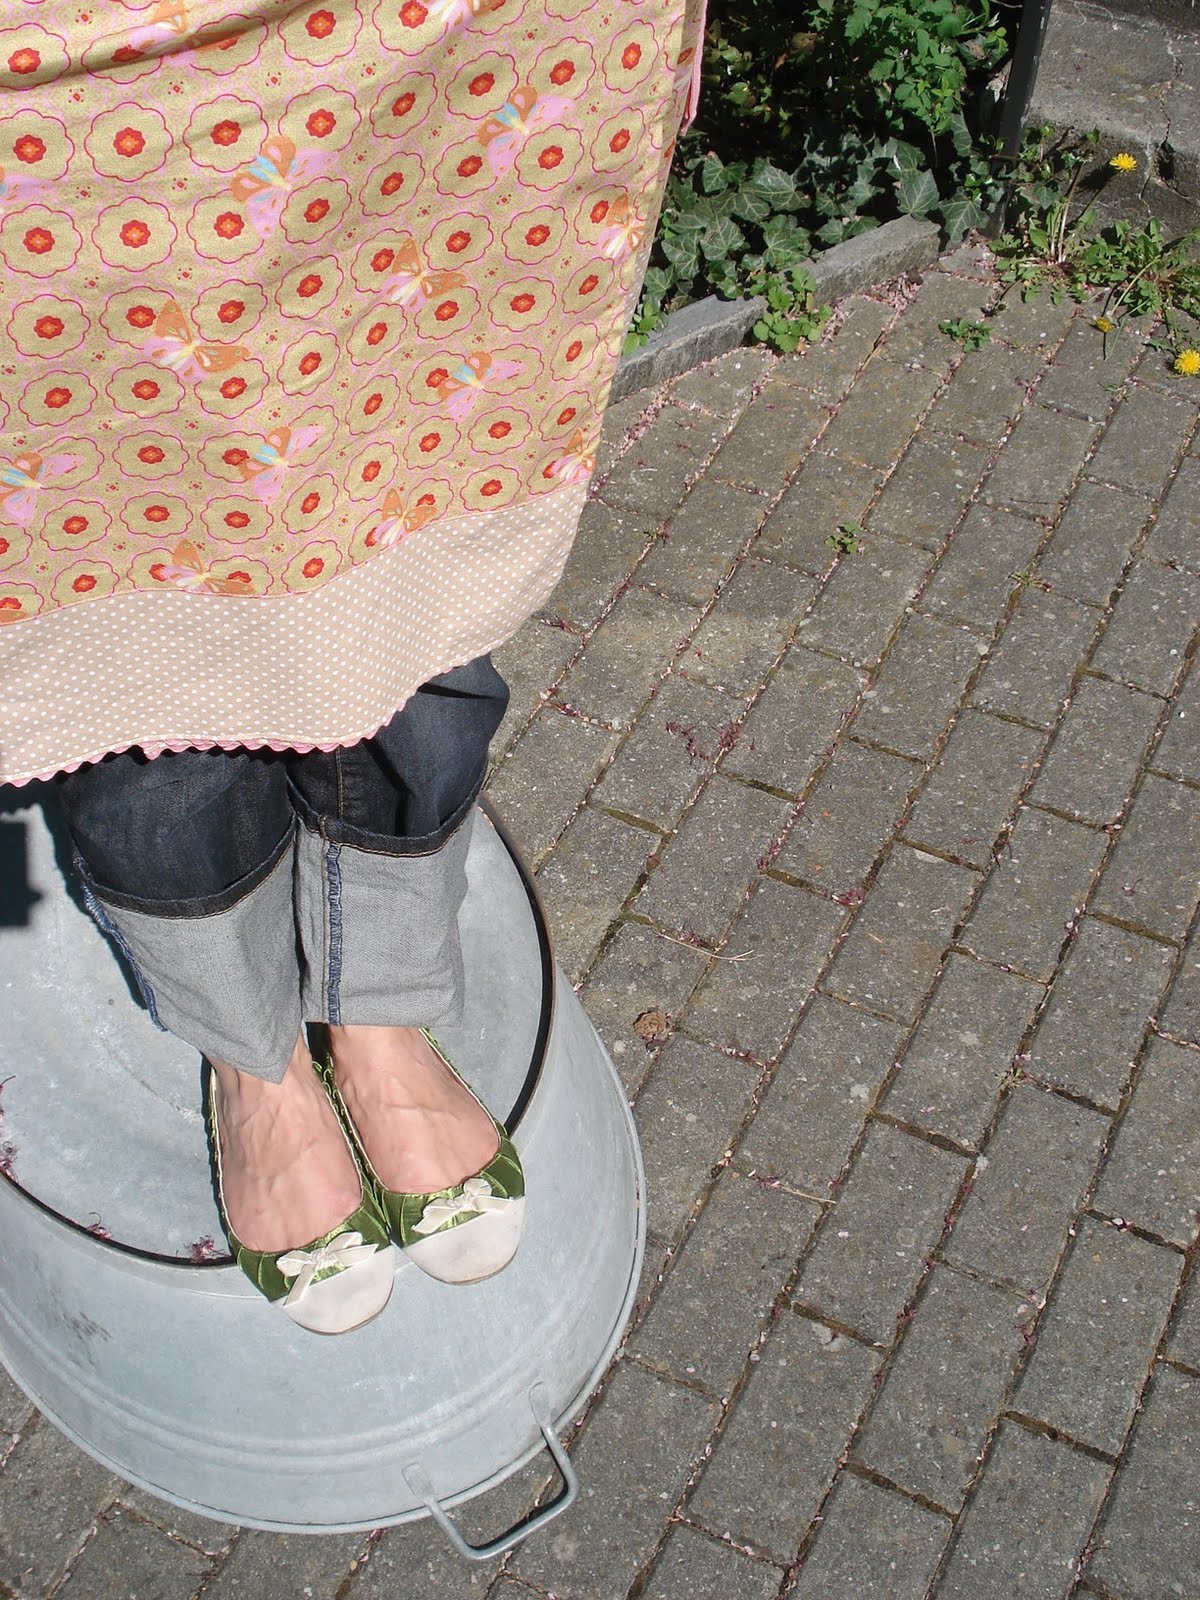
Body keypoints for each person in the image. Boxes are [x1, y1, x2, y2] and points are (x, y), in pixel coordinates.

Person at [0, 0, 704, 1334]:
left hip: (422, 43)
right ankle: (254, 1060)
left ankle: (376, 1008)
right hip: (79, 79)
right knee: (133, 595)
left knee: (409, 508)